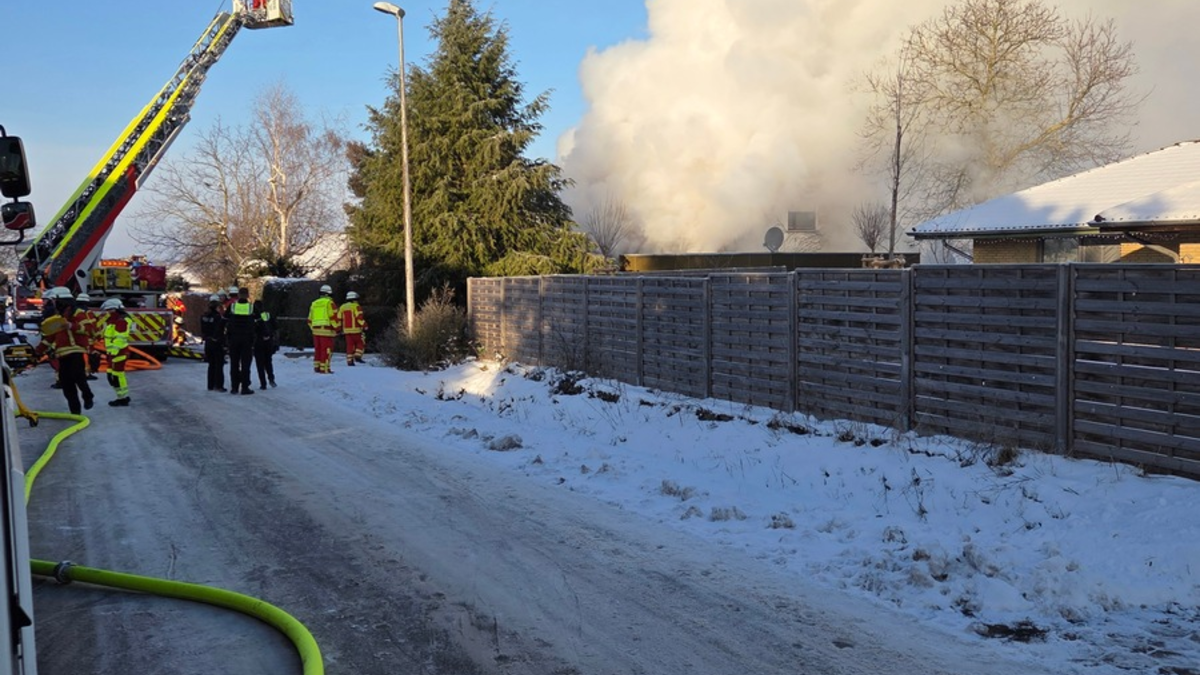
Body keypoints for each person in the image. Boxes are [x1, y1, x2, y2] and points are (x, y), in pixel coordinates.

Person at [34, 287, 94, 414]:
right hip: (62, 355)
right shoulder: (56, 318)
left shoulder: (78, 313)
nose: (54, 303)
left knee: (79, 378)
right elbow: (49, 338)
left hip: (76, 352)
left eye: (55, 300)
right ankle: (75, 413)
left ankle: (88, 396)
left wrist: (71, 325)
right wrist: (37, 352)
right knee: (67, 385)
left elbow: (88, 329)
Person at [100, 298, 132, 406]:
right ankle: (122, 397)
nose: (108, 313)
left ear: (115, 309)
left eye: (109, 310)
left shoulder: (121, 321)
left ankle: (122, 398)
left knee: (117, 376)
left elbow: (120, 338)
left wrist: (113, 352)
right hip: (112, 354)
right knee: (112, 376)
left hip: (118, 353)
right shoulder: (114, 320)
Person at [225, 287, 256, 395]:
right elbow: (258, 322)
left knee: (234, 364)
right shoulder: (252, 308)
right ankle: (245, 387)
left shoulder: (232, 307)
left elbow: (224, 320)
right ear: (247, 295)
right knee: (245, 364)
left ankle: (234, 387)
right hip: (247, 339)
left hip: (234, 339)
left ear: (238, 295)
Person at [307, 284, 339, 374]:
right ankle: (324, 368)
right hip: (327, 331)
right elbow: (333, 317)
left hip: (316, 332)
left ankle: (317, 367)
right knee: (327, 350)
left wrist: (313, 329)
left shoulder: (314, 303)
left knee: (318, 349)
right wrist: (337, 328)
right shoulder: (330, 303)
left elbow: (309, 320)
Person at [200, 294, 227, 392]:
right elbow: (219, 330)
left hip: (208, 342)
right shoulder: (217, 317)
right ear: (217, 306)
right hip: (216, 343)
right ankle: (219, 385)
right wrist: (223, 343)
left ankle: (210, 385)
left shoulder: (203, 316)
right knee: (219, 365)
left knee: (211, 364)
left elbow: (203, 329)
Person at [75, 292, 101, 380]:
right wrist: (97, 336)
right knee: (85, 356)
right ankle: (85, 373)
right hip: (84, 338)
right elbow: (93, 326)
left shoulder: (74, 312)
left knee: (83, 356)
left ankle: (84, 373)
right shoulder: (88, 313)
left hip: (79, 339)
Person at [252, 299, 278, 389]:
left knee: (260, 364)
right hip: (268, 341)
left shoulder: (253, 317)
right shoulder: (267, 314)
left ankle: (263, 383)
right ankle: (271, 378)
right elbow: (275, 326)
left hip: (258, 341)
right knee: (268, 361)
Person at [339, 291, 367, 367]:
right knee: (360, 343)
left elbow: (339, 318)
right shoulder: (356, 306)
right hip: (356, 330)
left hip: (346, 331)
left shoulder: (342, 307)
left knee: (349, 345)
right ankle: (357, 356)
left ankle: (349, 361)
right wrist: (364, 325)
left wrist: (339, 328)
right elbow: (359, 318)